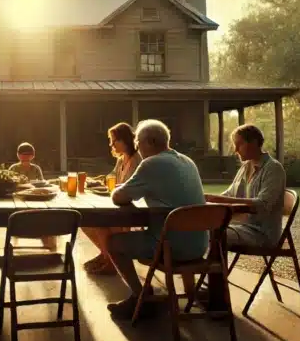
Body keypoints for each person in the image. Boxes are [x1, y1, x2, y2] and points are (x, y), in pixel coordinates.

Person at [105, 119, 208, 319]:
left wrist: (118, 188)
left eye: (138, 144)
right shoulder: (188, 161)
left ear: (150, 142)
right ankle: (189, 292)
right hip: (199, 245)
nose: (137, 148)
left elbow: (119, 197)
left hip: (170, 247)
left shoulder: (152, 163)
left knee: (113, 243)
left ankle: (140, 294)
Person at [205, 124, 287, 248]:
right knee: (201, 229)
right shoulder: (245, 167)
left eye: (239, 144)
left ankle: (215, 267)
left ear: (253, 143)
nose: (236, 150)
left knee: (212, 234)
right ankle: (213, 266)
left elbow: (262, 205)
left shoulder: (273, 168)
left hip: (262, 234)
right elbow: (229, 194)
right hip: (242, 227)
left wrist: (218, 199)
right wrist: (206, 199)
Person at [82, 122, 143, 274]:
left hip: (133, 207)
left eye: (113, 140)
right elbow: (113, 177)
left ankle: (111, 261)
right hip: (118, 203)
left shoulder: (137, 160)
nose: (111, 144)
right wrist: (98, 180)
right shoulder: (121, 159)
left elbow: (131, 188)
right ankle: (108, 256)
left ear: (123, 140)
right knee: (87, 222)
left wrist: (114, 186)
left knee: (103, 223)